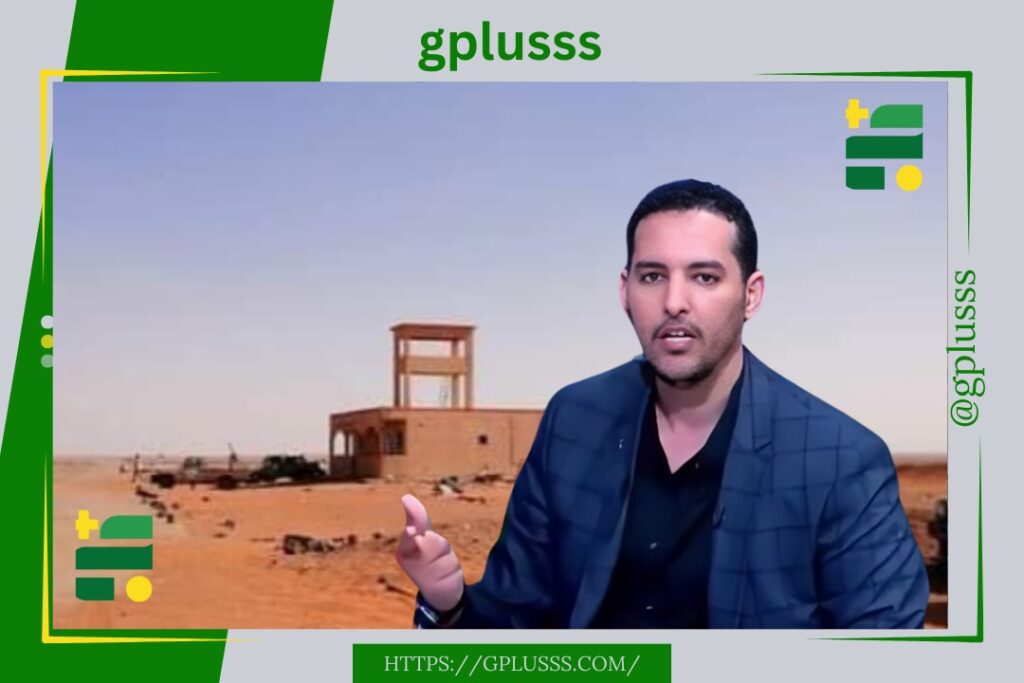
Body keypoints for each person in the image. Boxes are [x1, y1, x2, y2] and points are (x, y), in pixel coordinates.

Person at [396, 179, 929, 629]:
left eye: (704, 277)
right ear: (625, 291)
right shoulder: (574, 421)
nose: (674, 302)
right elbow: (518, 621)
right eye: (653, 276)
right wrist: (450, 602)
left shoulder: (839, 459)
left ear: (751, 294)